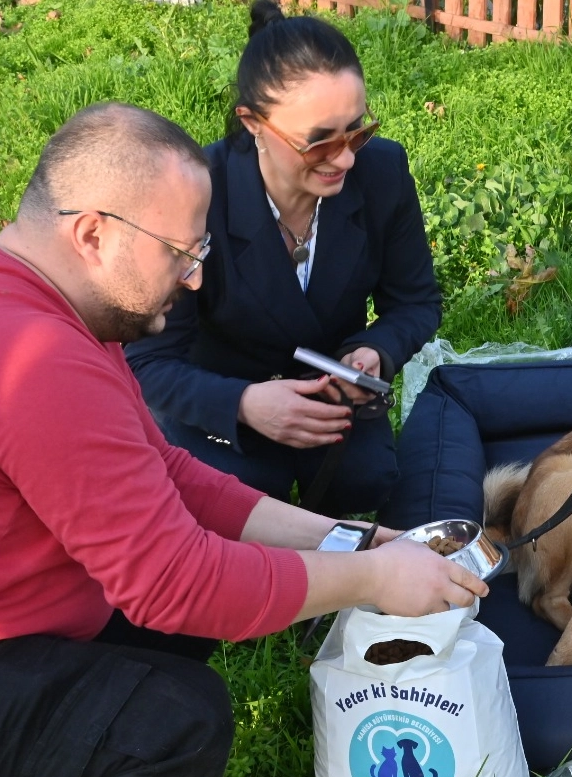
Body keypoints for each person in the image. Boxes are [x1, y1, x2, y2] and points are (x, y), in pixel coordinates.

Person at [0, 102, 486, 777]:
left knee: (182, 626)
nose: (193, 278)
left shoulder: (33, 295)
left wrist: (345, 538)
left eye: (201, 249)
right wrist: (375, 579)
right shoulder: (39, 362)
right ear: (93, 234)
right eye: (178, 252)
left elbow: (164, 471)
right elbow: (176, 584)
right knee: (178, 722)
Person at [125, 0, 441, 519]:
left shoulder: (381, 173)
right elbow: (147, 363)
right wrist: (243, 403)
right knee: (237, 502)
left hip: (330, 401)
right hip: (219, 402)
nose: (346, 158)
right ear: (253, 123)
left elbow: (416, 301)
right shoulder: (197, 195)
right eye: (318, 143)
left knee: (366, 482)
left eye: (357, 130)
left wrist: (372, 352)